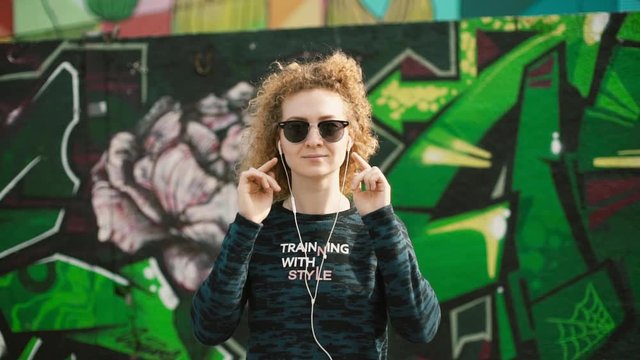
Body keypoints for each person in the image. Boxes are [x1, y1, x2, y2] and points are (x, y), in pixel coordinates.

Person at [191, 51, 440, 359]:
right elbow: (209, 328)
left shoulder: (377, 229)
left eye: (330, 127)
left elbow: (421, 327)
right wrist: (246, 223)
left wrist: (383, 220)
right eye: (296, 128)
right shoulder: (256, 230)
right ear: (279, 140)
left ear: (350, 137)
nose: (313, 140)